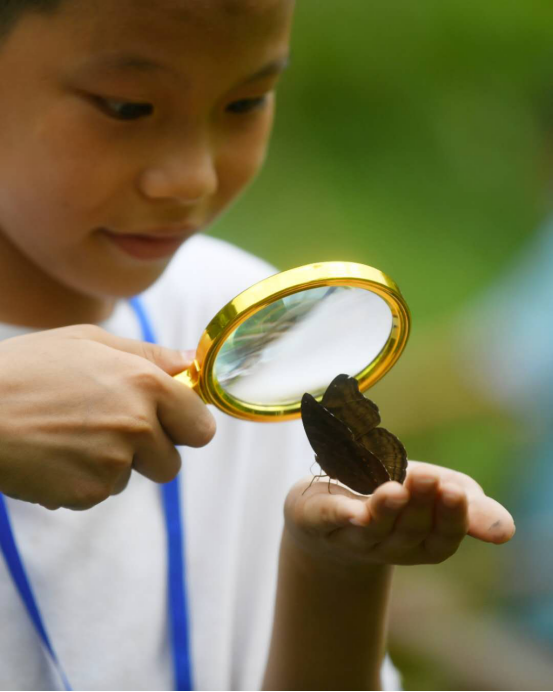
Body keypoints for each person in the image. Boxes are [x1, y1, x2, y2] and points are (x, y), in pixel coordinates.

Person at [0, 1, 514, 690]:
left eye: (246, 102)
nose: (194, 178)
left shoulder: (251, 328)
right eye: (127, 107)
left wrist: (335, 567)